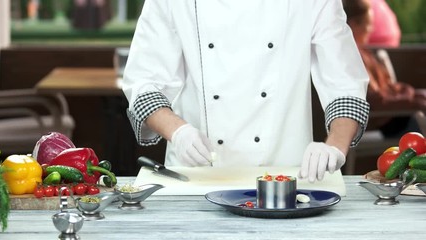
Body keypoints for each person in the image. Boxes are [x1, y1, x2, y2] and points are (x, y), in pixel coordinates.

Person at [122, 0, 370, 183]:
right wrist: (179, 132)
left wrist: (335, 146)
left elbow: (345, 84)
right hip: (195, 177)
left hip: (284, 179)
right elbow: (143, 84)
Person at [343, 0, 426, 137]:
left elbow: (387, 89)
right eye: (368, 23)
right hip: (379, 119)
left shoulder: (363, 52)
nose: (370, 29)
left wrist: (412, 97)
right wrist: (411, 99)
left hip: (387, 114)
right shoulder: (352, 57)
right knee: (418, 116)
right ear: (353, 24)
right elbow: (374, 101)